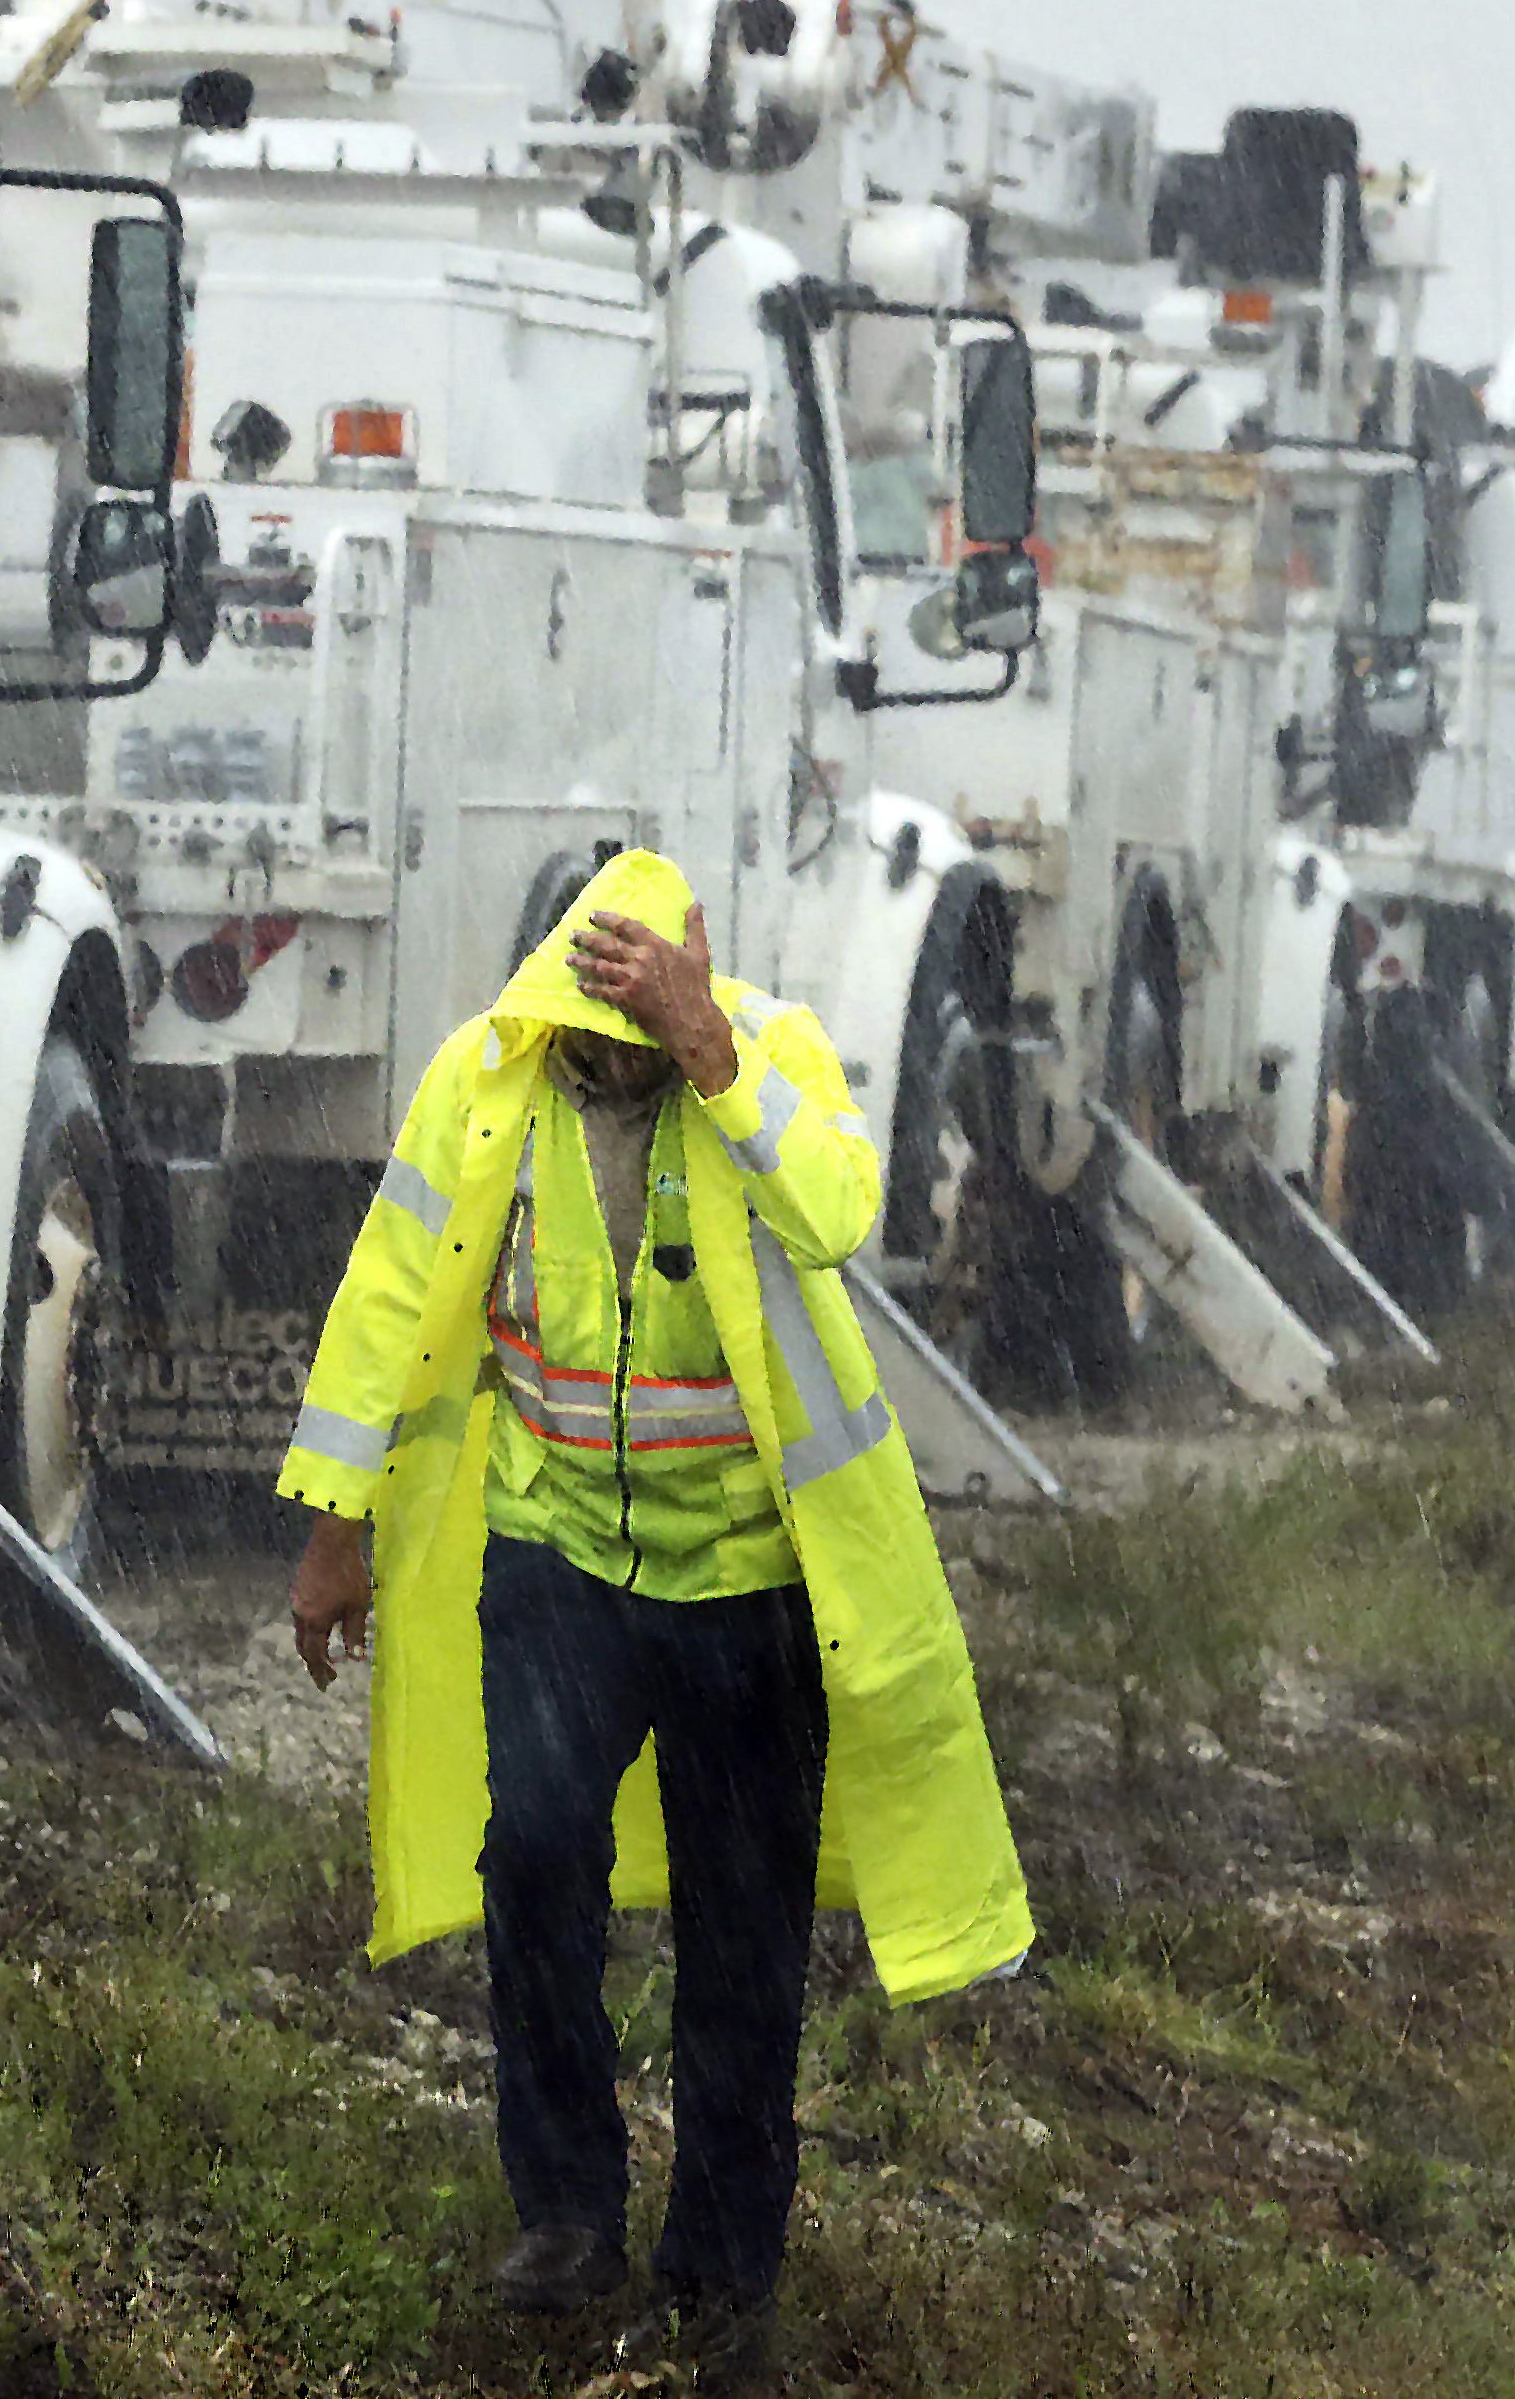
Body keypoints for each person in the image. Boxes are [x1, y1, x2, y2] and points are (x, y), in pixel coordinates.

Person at [276, 849, 1029, 2383]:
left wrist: (713, 1054)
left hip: (748, 1585)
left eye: (635, 1018)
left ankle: (721, 2270)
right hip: (563, 1562)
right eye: (591, 1017)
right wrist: (332, 1531)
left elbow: (835, 1211)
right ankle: (564, 2210)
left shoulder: (770, 1053)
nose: (605, 1051)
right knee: (537, 1850)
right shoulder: (490, 1091)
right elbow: (387, 1294)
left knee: (742, 1943)